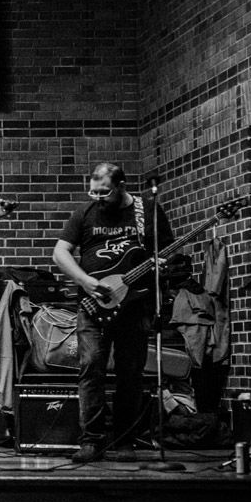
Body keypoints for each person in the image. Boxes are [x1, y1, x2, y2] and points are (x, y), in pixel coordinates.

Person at [52, 162, 173, 463]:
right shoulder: (85, 213)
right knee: (90, 366)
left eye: (104, 193)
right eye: (93, 192)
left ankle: (124, 440)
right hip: (93, 304)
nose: (98, 198)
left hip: (135, 304)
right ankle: (91, 440)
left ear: (121, 186)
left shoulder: (148, 211)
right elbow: (60, 252)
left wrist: (162, 266)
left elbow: (168, 251)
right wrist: (85, 281)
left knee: (130, 373)